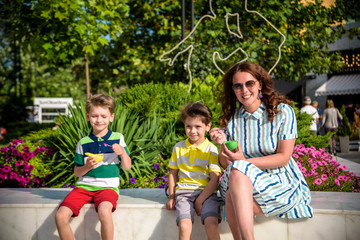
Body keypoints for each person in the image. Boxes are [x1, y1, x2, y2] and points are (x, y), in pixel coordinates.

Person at [209, 62, 313, 240]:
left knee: (231, 196)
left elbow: (283, 157)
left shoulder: (282, 112)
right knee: (236, 175)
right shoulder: (232, 120)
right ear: (233, 89)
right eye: (238, 85)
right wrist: (222, 145)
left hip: (278, 181)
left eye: (249, 83)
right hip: (241, 182)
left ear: (260, 84)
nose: (244, 90)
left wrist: (243, 162)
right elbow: (226, 163)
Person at [55, 94, 132, 240]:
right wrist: (86, 167)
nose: (99, 120)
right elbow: (77, 172)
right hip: (84, 187)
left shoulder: (118, 137)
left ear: (111, 117)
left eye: (103, 116)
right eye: (95, 116)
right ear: (88, 117)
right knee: (60, 216)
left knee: (104, 212)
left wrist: (122, 153)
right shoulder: (83, 143)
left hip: (108, 187)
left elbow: (127, 166)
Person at [166, 102, 222, 240]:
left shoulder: (211, 149)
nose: (192, 131)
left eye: (198, 126)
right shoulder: (178, 148)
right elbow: (173, 173)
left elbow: (215, 179)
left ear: (208, 126)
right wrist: (172, 197)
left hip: (207, 194)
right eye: (188, 126)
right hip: (184, 194)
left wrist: (200, 199)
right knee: (184, 226)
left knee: (212, 224)